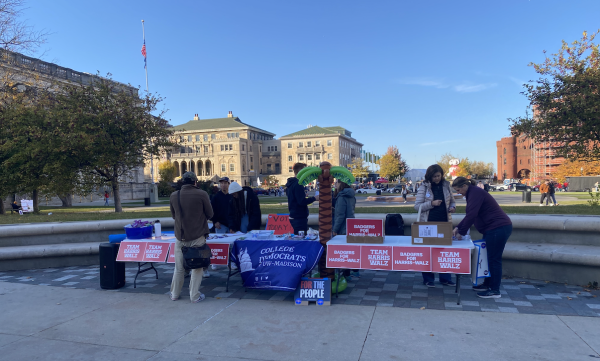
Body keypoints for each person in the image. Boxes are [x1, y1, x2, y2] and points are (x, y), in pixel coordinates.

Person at [452, 177, 512, 299]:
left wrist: (461, 232)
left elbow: (472, 215)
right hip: (493, 228)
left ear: (464, 186)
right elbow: (470, 215)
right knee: (489, 258)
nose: (458, 193)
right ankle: (487, 284)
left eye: (458, 190)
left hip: (497, 228)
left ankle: (495, 290)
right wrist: (458, 227)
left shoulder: (475, 193)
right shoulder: (472, 192)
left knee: (494, 259)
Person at [169, 172, 214, 303]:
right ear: (195, 182)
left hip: (180, 237)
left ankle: (174, 294)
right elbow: (210, 214)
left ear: (182, 182)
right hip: (197, 236)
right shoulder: (202, 194)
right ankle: (194, 295)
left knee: (179, 268)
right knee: (197, 267)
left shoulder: (174, 195)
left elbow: (173, 216)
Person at [414, 164, 456, 288]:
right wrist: (431, 203)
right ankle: (428, 279)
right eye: (434, 176)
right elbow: (417, 206)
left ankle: (445, 278)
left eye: (438, 176)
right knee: (428, 252)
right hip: (428, 223)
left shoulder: (446, 185)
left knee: (444, 252)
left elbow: (452, 200)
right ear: (429, 176)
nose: (436, 178)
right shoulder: (424, 187)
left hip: (444, 222)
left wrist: (452, 207)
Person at [286, 163, 319, 235]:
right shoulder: (298, 184)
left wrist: (302, 195)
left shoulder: (291, 183)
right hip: (299, 217)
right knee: (301, 237)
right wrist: (314, 198)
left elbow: (293, 197)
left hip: (294, 215)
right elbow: (301, 202)